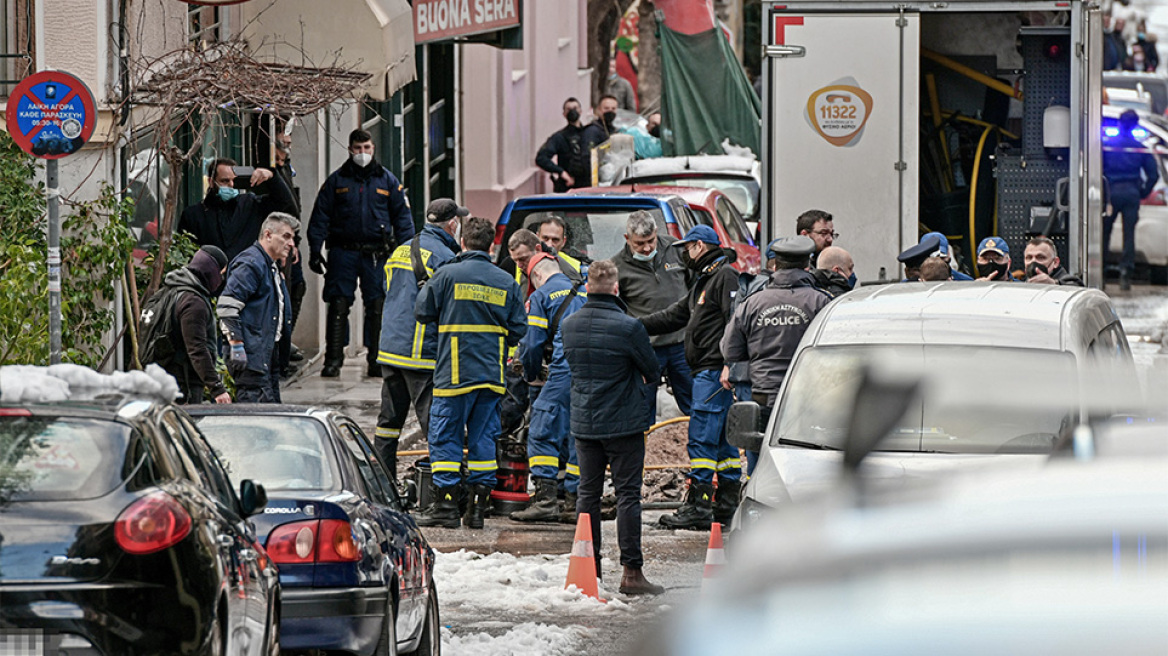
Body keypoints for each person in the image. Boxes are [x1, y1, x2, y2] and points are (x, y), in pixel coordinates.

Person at [412, 217, 526, 530]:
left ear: (463, 242)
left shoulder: (447, 274)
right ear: (491, 246)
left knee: (446, 435)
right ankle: (477, 509)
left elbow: (422, 312)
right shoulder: (506, 280)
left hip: (454, 372)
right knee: (483, 438)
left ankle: (447, 507)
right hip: (491, 374)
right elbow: (518, 329)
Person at [561, 259, 664, 595]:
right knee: (628, 496)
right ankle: (631, 573)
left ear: (587, 286)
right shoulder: (629, 327)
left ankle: (589, 570)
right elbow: (652, 370)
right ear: (616, 288)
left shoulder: (570, 324)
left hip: (584, 423)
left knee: (587, 495)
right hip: (624, 425)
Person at [640, 224, 741, 531]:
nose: (684, 254)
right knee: (723, 444)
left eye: (687, 248)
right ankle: (726, 504)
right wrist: (633, 325)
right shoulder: (704, 280)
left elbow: (734, 320)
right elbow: (675, 315)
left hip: (714, 372)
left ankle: (699, 505)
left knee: (701, 439)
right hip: (709, 371)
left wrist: (729, 363)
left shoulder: (724, 276)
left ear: (699, 246)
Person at [721, 236, 832, 498]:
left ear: (774, 266)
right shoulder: (822, 303)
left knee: (760, 462)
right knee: (805, 460)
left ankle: (757, 512)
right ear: (808, 265)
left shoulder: (752, 303)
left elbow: (730, 351)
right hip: (808, 400)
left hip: (762, 397)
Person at [307, 129, 416, 378]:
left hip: (377, 254)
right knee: (338, 303)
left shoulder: (387, 181)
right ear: (350, 149)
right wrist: (315, 249)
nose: (362, 153)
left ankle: (376, 360)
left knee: (377, 305)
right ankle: (333, 360)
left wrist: (408, 252)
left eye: (366, 148)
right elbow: (320, 216)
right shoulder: (337, 181)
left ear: (373, 148)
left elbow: (403, 219)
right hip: (343, 252)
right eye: (358, 148)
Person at [374, 199, 466, 479]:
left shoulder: (402, 249)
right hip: (420, 354)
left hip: (390, 350)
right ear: (452, 225)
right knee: (434, 423)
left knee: (388, 424)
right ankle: (444, 488)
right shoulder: (444, 258)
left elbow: (387, 289)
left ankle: (384, 486)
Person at [509, 253, 587, 522]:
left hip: (563, 370)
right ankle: (575, 500)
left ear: (537, 276)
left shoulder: (541, 297)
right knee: (578, 434)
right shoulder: (583, 290)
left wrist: (531, 375)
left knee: (542, 429)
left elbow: (532, 345)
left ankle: (545, 500)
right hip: (591, 374)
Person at [612, 210, 694, 420]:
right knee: (642, 406)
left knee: (695, 404)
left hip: (682, 343)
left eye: (651, 240)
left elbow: (696, 286)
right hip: (647, 348)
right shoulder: (617, 267)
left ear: (657, 232)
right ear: (627, 238)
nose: (647, 248)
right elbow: (615, 309)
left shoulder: (675, 249)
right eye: (639, 243)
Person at [217, 213, 297, 403]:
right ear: (268, 235)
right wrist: (236, 345)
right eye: (286, 236)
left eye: (292, 238)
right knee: (257, 418)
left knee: (270, 415)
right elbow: (227, 307)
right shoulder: (251, 264)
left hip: (264, 358)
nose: (291, 243)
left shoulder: (269, 266)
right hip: (252, 361)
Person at [151, 246, 232, 405]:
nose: (221, 280)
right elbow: (197, 348)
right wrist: (217, 388)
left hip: (164, 378)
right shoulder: (194, 302)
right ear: (211, 271)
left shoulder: (170, 290)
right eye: (220, 274)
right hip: (184, 384)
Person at [178, 158, 296, 264]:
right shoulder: (194, 215)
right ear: (211, 182)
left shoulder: (250, 204)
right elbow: (185, 254)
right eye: (225, 181)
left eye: (235, 181)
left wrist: (272, 176)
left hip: (246, 278)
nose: (231, 185)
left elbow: (285, 203)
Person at [1103, 109, 1159, 291]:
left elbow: (1097, 169)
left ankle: (1101, 272)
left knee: (1105, 233)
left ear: (1119, 123)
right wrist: (1143, 192)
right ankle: (1125, 274)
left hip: (1111, 194)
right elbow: (1153, 174)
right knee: (1129, 235)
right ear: (1135, 125)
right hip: (1131, 193)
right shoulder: (1140, 147)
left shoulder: (1107, 145)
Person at [535, 97, 607, 192]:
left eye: (575, 108)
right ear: (564, 114)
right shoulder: (559, 137)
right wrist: (561, 172)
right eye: (569, 109)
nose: (573, 111)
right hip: (568, 188)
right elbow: (541, 158)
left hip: (590, 186)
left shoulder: (592, 133)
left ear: (580, 111)